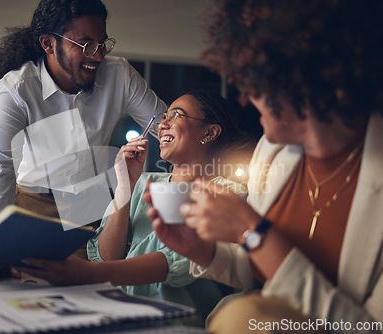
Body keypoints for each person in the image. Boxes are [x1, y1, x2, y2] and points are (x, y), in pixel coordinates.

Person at [145, 1, 383, 333]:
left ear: (320, 80)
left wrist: (253, 231)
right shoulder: (274, 152)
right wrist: (202, 250)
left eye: (261, 79)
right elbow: (249, 270)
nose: (245, 95)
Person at [0, 0, 166, 282]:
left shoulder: (120, 75)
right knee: (15, 288)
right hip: (32, 207)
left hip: (91, 206)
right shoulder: (16, 89)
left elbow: (166, 126)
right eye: (86, 44)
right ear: (48, 44)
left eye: (102, 43)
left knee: (85, 290)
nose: (99, 55)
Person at [18, 90, 255, 323]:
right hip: (118, 316)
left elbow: (179, 265)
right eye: (163, 118)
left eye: (176, 115)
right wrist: (126, 185)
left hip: (177, 324)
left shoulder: (229, 195)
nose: (163, 125)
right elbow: (107, 256)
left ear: (210, 132)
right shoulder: (144, 183)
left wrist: (88, 275)